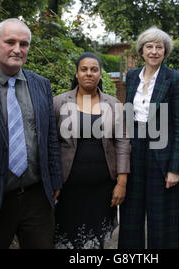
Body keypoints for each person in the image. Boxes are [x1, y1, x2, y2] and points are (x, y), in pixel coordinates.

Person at [0, 18, 62, 249]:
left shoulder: (41, 85)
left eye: (24, 44)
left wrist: (55, 179)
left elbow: (50, 137)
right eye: (10, 42)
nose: (17, 49)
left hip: (37, 196)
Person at [118, 27, 179, 249]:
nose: (154, 51)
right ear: (142, 50)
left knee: (162, 219)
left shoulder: (175, 79)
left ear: (165, 52)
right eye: (149, 46)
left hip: (162, 153)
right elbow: (128, 116)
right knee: (130, 214)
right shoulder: (131, 76)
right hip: (134, 149)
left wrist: (175, 168)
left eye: (159, 47)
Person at [53, 52, 130, 249]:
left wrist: (122, 182)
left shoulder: (113, 105)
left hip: (102, 189)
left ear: (100, 74)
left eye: (94, 70)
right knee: (65, 240)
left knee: (95, 243)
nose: (89, 73)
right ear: (77, 74)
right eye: (84, 69)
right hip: (67, 188)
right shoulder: (59, 103)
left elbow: (122, 143)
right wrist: (52, 179)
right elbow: (50, 144)